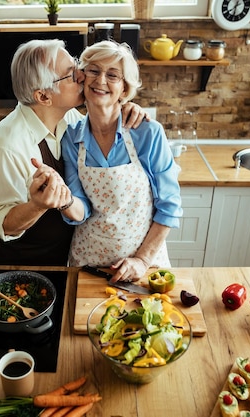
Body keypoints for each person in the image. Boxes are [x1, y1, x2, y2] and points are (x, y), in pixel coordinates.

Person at [0, 39, 146, 266]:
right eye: (70, 74)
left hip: (65, 256)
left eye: (76, 65)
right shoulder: (7, 147)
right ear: (44, 97)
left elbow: (101, 120)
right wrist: (37, 205)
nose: (81, 76)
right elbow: (2, 224)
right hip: (24, 265)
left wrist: (125, 105)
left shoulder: (68, 117)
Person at [61, 40, 183, 282]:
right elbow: (82, 209)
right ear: (82, 77)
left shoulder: (147, 132)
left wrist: (142, 260)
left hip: (143, 265)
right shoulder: (71, 137)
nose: (101, 80)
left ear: (125, 89)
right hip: (89, 265)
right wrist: (62, 200)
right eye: (94, 70)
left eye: (113, 75)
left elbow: (169, 206)